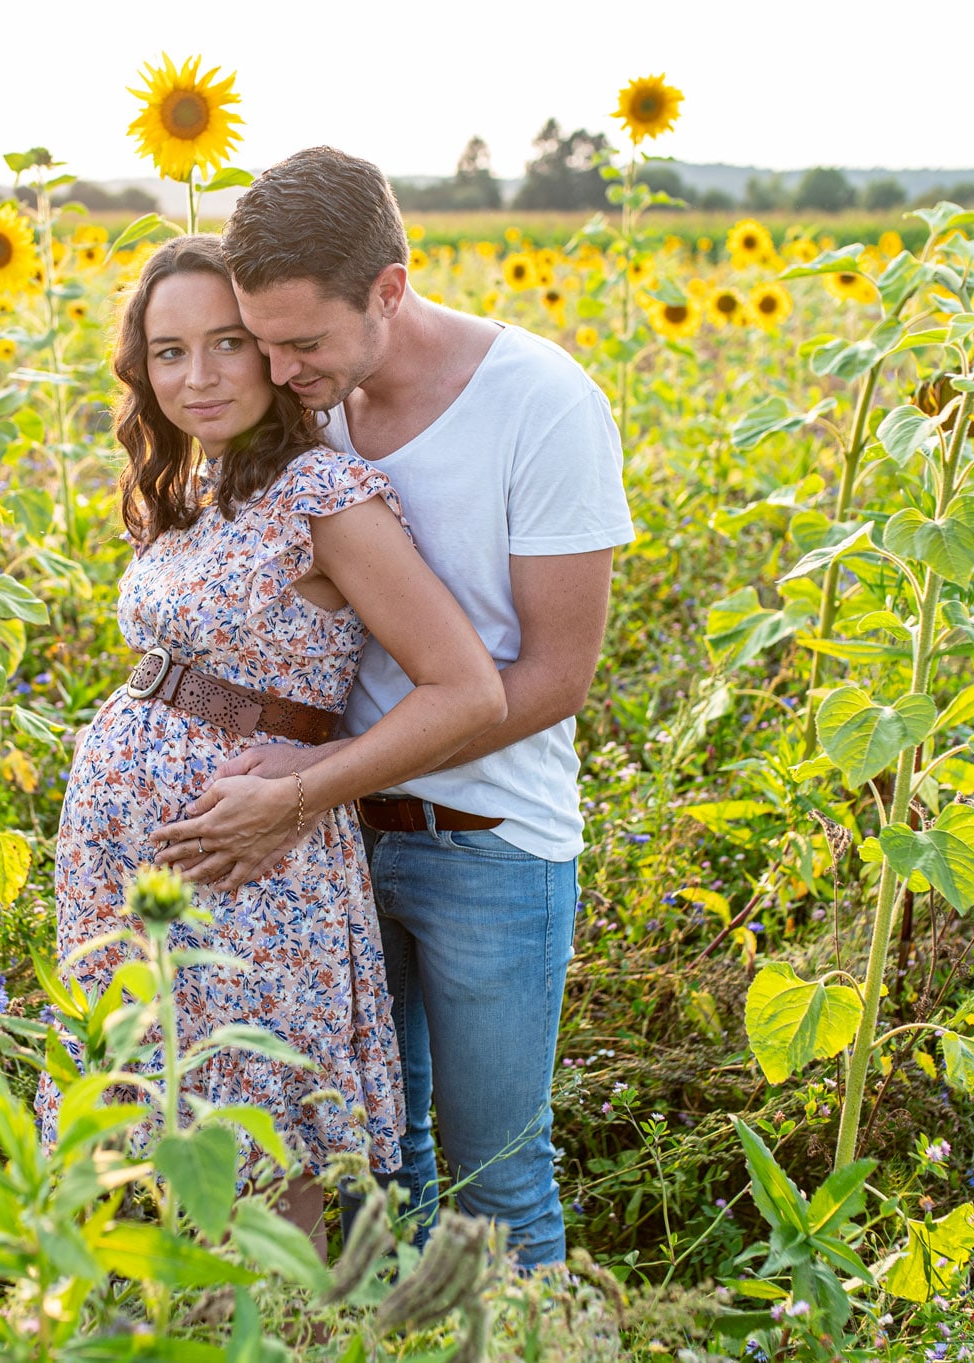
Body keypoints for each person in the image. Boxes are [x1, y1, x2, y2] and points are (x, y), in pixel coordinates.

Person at [158, 147, 633, 1269]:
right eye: (259, 341)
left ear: (388, 285)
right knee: (378, 1165)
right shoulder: (303, 409)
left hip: (489, 850)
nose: (278, 366)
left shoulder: (542, 406)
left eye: (301, 343)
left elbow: (556, 677)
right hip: (331, 852)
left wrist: (314, 783)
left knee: (495, 1179)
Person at [43, 234, 504, 1243]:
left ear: (267, 352)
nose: (196, 376)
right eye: (167, 352)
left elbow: (465, 686)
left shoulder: (321, 496)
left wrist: (309, 787)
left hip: (250, 860)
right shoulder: (192, 489)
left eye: (224, 344)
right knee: (140, 1128)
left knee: (254, 1142)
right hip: (130, 861)